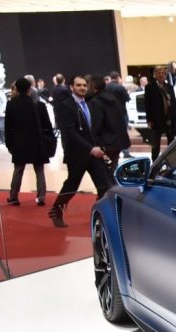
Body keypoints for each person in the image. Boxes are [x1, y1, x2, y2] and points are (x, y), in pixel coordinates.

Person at [48, 75, 114, 228]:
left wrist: (99, 147)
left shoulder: (89, 103)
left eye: (84, 85)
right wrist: (90, 149)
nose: (82, 88)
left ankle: (102, 216)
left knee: (103, 185)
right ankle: (56, 211)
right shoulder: (66, 105)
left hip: (94, 153)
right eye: (78, 85)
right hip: (77, 154)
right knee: (71, 185)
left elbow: (92, 129)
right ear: (71, 87)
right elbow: (70, 132)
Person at [4, 77, 51, 205]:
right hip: (37, 142)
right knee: (39, 170)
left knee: (18, 170)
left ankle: (13, 196)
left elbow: (8, 127)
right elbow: (47, 126)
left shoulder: (11, 104)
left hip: (19, 142)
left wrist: (8, 144)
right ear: (30, 88)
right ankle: (41, 198)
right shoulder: (39, 105)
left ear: (16, 89)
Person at [89, 77, 130, 176]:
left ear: (94, 87)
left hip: (106, 143)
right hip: (117, 141)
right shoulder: (113, 99)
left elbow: (96, 125)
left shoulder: (95, 102)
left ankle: (110, 185)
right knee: (112, 168)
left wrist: (93, 141)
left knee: (105, 173)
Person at [144, 65, 176, 161]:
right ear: (155, 75)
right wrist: (149, 120)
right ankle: (155, 161)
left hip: (169, 117)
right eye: (159, 73)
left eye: (163, 73)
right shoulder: (149, 87)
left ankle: (170, 159)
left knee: (171, 140)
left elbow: (174, 103)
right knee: (156, 142)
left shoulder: (169, 87)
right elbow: (147, 104)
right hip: (156, 118)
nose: (161, 75)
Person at [106, 71, 132, 158]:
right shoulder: (120, 87)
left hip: (109, 113)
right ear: (117, 77)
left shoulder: (106, 87)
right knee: (123, 132)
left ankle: (115, 152)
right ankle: (126, 152)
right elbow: (127, 98)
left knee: (112, 132)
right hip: (121, 112)